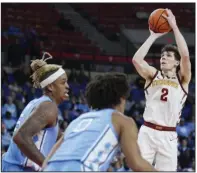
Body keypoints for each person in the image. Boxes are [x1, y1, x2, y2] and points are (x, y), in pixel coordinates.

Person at [42, 72, 157, 171]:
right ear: (122, 99)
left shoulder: (78, 121)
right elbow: (136, 164)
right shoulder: (122, 120)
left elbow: (46, 161)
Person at [132, 9, 191, 171]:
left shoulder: (183, 80)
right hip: (147, 132)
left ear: (177, 63)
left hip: (169, 135)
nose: (163, 57)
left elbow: (185, 55)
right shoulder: (153, 75)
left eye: (169, 56)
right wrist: (153, 35)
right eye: (162, 56)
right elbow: (136, 60)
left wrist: (175, 27)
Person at [2, 52, 70, 171]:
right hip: (19, 168)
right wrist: (46, 166)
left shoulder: (38, 103)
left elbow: (56, 135)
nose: (68, 86)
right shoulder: (48, 107)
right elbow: (20, 137)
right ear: (50, 87)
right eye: (63, 82)